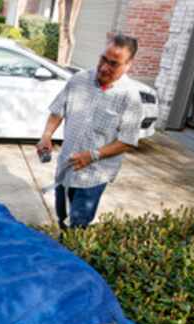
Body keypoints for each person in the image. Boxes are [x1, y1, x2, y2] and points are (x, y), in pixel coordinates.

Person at [37, 34, 144, 230]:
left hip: (94, 175)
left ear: (128, 65)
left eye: (114, 64)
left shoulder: (131, 97)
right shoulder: (79, 80)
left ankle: (73, 255)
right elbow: (57, 111)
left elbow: (127, 140)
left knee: (78, 225)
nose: (104, 67)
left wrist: (93, 155)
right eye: (103, 59)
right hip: (66, 167)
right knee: (62, 219)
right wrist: (46, 136)